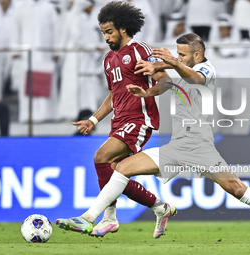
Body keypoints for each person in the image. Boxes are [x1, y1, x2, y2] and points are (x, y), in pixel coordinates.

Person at [63, 33, 250, 242]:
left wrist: (169, 62)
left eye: (182, 55)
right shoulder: (182, 70)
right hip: (176, 146)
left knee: (237, 189)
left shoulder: (205, 70)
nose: (178, 58)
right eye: (177, 54)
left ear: (197, 55)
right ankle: (89, 218)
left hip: (200, 147)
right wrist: (146, 90)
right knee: (122, 168)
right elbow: (170, 85)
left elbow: (195, 79)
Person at [56, 1, 174, 238]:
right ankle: (162, 208)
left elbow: (166, 81)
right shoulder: (108, 59)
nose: (106, 37)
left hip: (140, 119)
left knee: (101, 157)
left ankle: (104, 218)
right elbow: (113, 95)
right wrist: (93, 119)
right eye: (103, 33)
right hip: (119, 121)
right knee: (115, 172)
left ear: (123, 28)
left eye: (109, 32)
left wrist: (148, 92)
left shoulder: (140, 50)